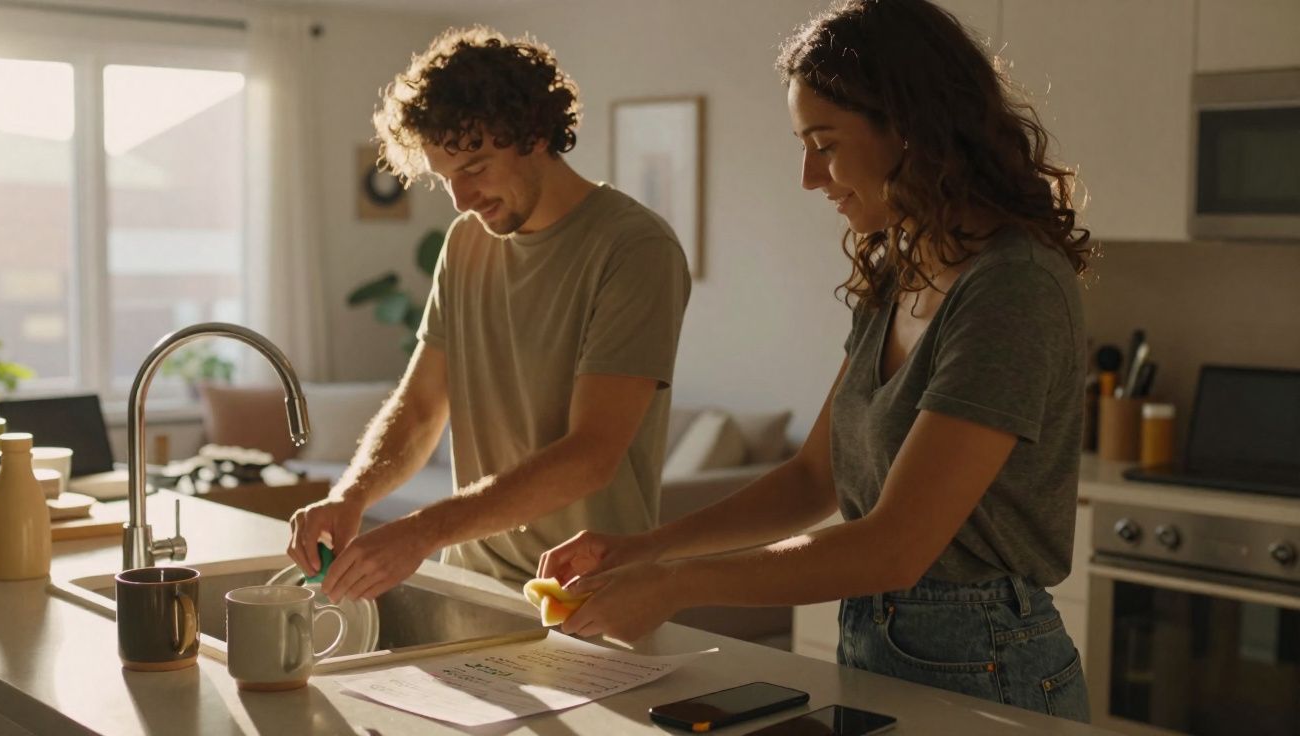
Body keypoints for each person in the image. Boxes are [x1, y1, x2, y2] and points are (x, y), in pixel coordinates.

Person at [539, 0, 1092, 722]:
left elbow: (895, 546)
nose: (808, 176)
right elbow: (812, 479)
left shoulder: (1013, 286)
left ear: (910, 130)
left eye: (824, 144)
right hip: (875, 648)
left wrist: (678, 584)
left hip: (990, 667)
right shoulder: (902, 271)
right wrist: (645, 550)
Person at [288, 26, 690, 600]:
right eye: (445, 178)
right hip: (472, 587)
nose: (461, 199)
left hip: (585, 595)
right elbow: (422, 406)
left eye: (474, 168)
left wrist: (421, 530)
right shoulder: (465, 243)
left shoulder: (633, 248)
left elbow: (591, 455)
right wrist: (349, 495)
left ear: (535, 133)